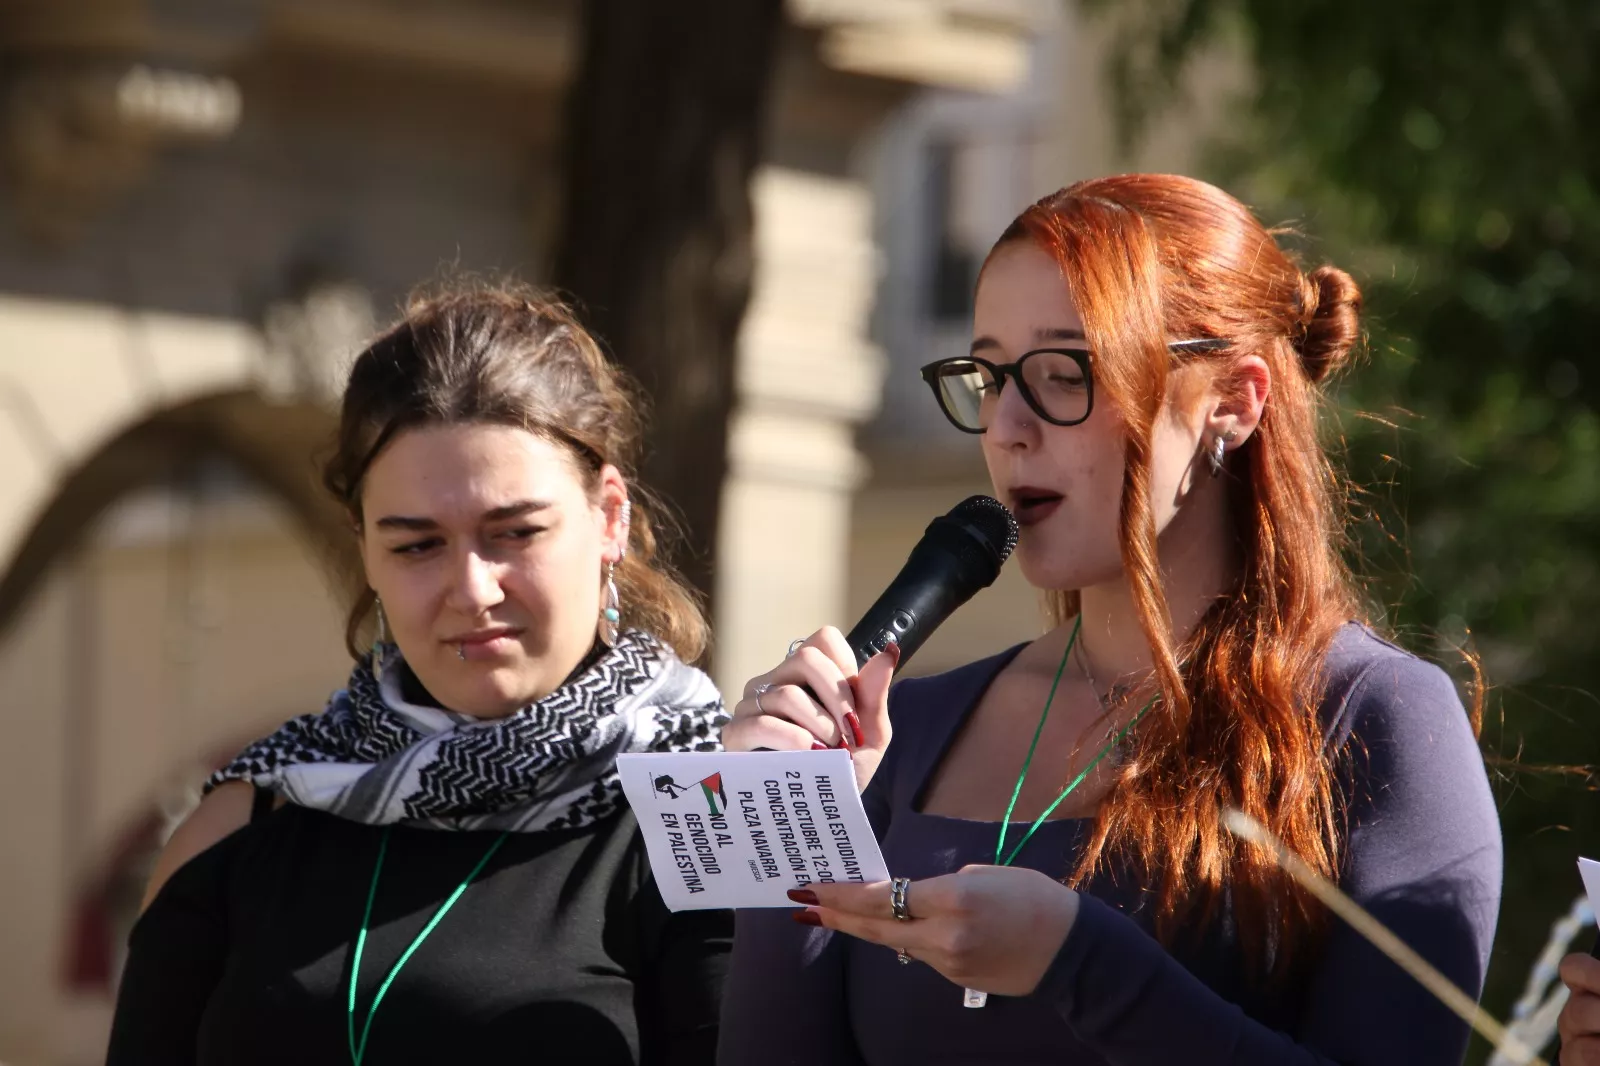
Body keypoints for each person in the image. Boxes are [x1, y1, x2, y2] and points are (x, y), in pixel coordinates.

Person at [718, 174, 1502, 1065]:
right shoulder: (905, 732)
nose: (1007, 427)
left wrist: (1079, 962)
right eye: (987, 378)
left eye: (1066, 373)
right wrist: (789, 820)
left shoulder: (1375, 719)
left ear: (1234, 401)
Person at [107, 284, 731, 1065]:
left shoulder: (720, 806)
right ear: (364, 548)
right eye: (416, 546)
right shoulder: (247, 821)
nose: (471, 590)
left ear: (609, 517)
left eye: (515, 533)